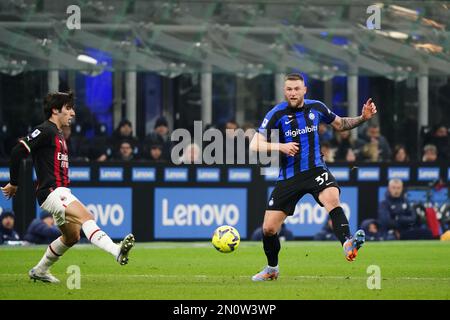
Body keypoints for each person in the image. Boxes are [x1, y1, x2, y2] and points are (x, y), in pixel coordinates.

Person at [249, 73, 377, 281]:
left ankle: (347, 243)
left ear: (304, 90)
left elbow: (341, 124)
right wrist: (281, 146)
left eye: (296, 89)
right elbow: (254, 144)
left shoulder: (316, 107)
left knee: (332, 198)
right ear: (285, 91)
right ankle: (272, 269)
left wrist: (363, 118)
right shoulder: (276, 113)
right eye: (289, 89)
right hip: (290, 177)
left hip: (316, 169)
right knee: (269, 228)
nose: (292, 93)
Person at [1, 91, 135, 284]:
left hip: (61, 192)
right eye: (69, 108)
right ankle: (117, 250)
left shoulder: (59, 134)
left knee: (71, 236)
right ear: (55, 110)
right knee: (87, 217)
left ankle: (40, 270)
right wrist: (14, 183)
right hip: (52, 191)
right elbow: (17, 151)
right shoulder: (45, 130)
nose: (72, 113)